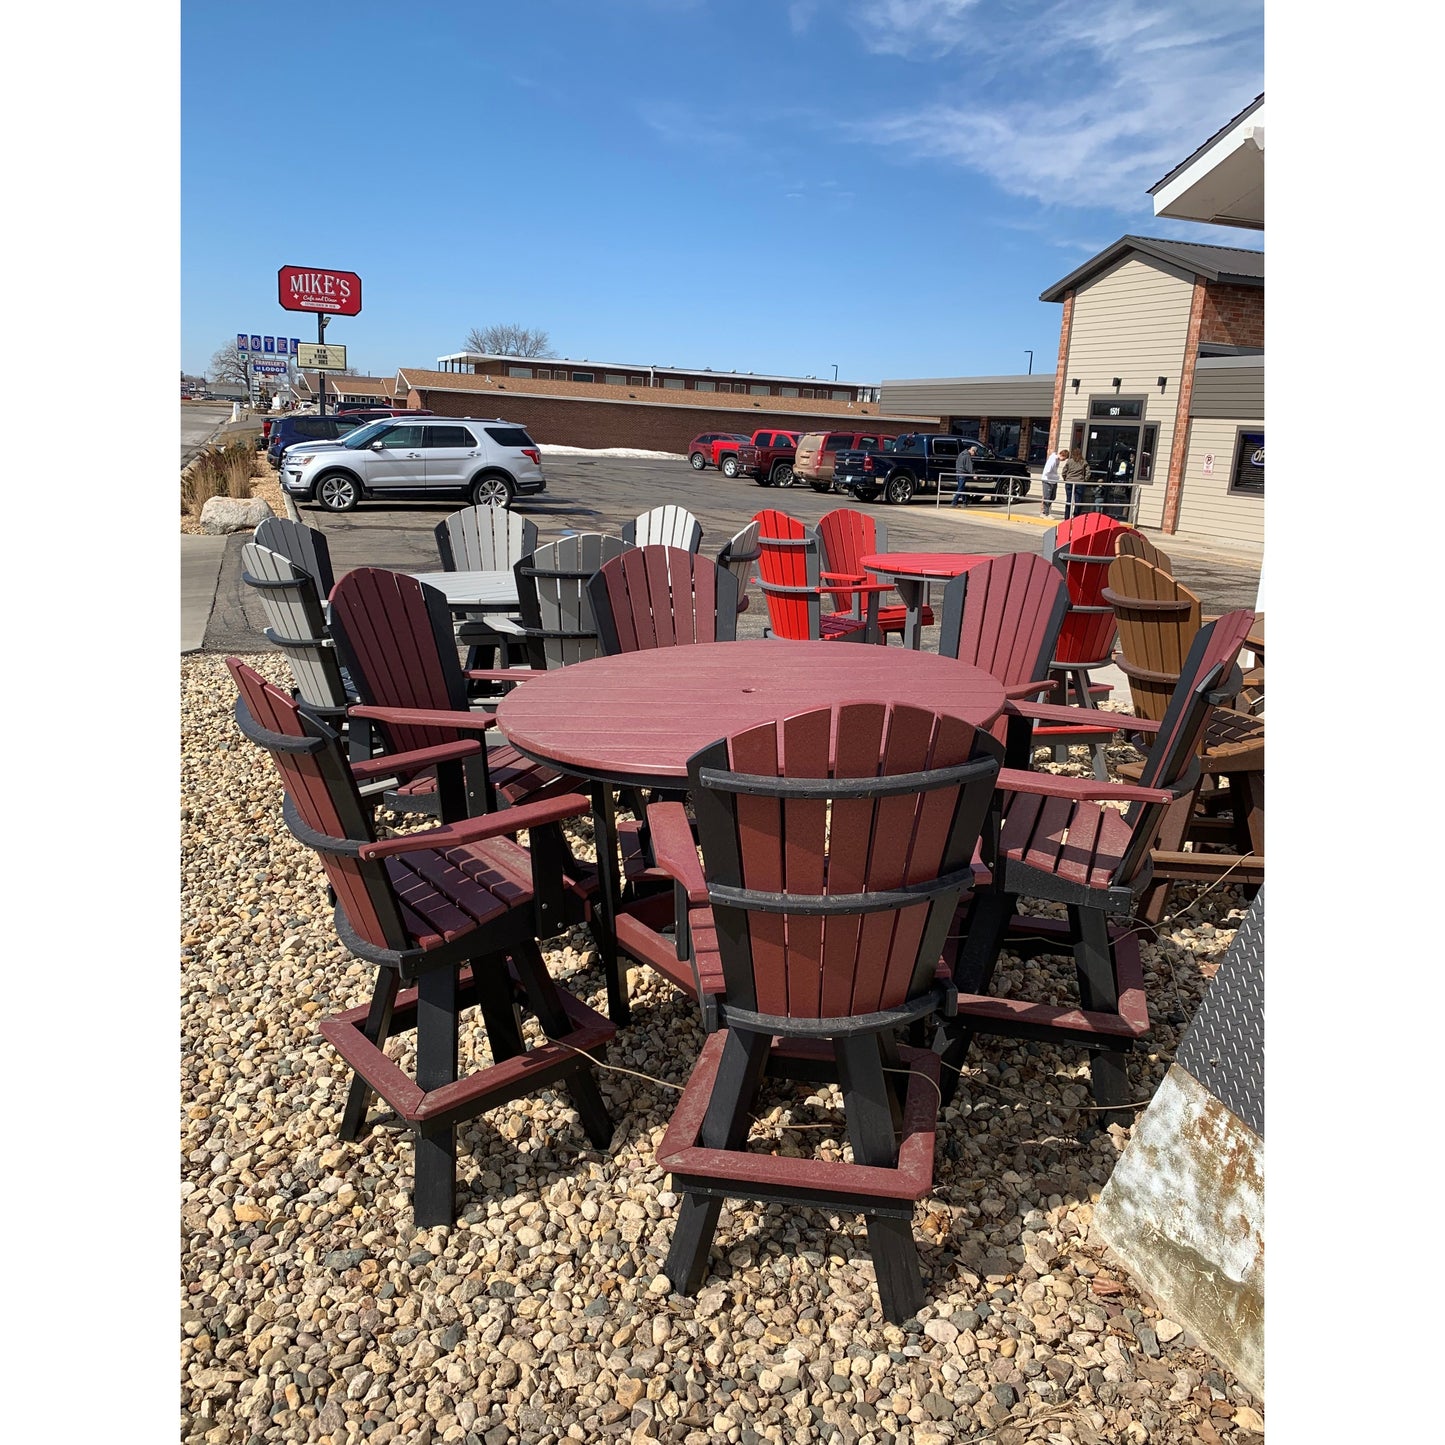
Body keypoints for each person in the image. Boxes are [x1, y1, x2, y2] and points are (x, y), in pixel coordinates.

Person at [1061, 446, 1090, 520]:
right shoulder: (1083, 462)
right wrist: (1085, 480)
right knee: (1078, 501)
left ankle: (1067, 518)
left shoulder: (1069, 461)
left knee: (1068, 500)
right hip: (1079, 482)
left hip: (1069, 482)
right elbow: (1088, 472)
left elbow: (1064, 471)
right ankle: (1076, 517)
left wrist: (1065, 478)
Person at [1039, 444, 1063, 518]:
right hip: (1047, 480)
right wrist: (1056, 477)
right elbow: (1047, 471)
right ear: (1062, 455)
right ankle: (1045, 513)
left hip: (1053, 480)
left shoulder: (1057, 460)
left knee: (1053, 496)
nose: (1063, 460)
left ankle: (1045, 511)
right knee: (1047, 497)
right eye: (1064, 459)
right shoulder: (1052, 460)